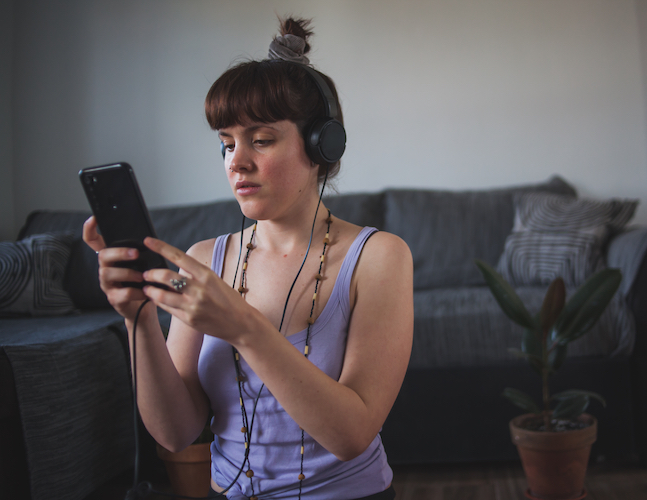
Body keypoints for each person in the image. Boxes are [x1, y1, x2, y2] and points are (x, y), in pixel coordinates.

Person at [83, 17, 413, 500]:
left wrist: (243, 326)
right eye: (226, 143)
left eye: (261, 140)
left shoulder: (379, 257)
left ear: (323, 145)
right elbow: (175, 434)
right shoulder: (204, 259)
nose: (237, 161)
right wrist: (139, 319)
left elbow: (351, 435)